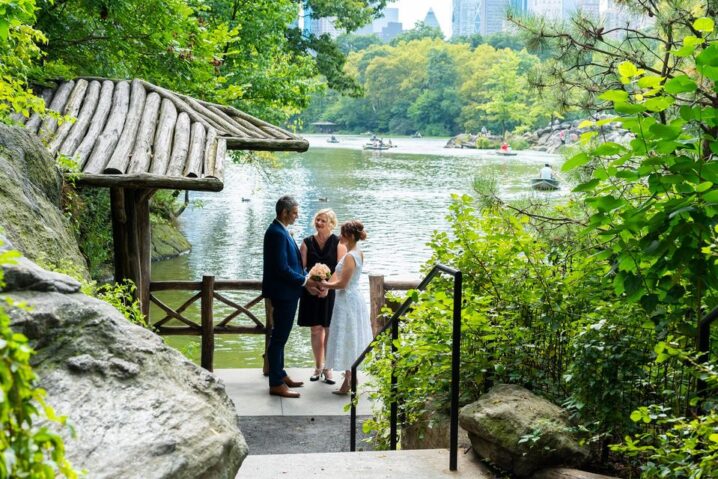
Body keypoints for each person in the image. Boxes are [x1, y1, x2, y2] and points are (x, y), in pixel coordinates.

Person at [262, 195, 324, 399]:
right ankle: (276, 383)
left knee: (281, 337)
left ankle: (280, 374)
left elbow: (290, 264)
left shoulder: (280, 230)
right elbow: (281, 268)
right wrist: (305, 281)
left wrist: (305, 279)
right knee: (279, 338)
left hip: (287, 292)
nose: (297, 216)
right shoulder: (276, 233)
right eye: (295, 212)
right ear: (284, 212)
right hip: (283, 293)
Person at [322, 220, 373, 395]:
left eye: (343, 233)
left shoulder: (351, 256)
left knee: (348, 336)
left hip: (347, 300)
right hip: (352, 298)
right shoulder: (358, 252)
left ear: (350, 236)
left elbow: (343, 284)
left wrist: (324, 285)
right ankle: (351, 377)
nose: (339, 236)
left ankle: (349, 381)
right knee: (350, 337)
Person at [298, 209, 347, 384]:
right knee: (315, 329)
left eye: (323, 221)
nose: (319, 223)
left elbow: (340, 269)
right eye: (317, 220)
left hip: (331, 291)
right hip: (310, 291)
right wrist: (310, 286)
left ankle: (328, 368)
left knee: (329, 329)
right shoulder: (306, 243)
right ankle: (318, 366)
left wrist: (327, 287)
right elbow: (302, 269)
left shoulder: (339, 243)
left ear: (331, 224)